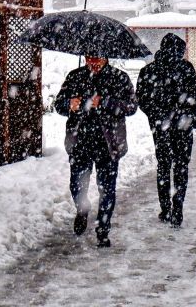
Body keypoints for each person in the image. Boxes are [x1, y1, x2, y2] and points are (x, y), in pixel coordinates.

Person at [55, 54, 138, 247]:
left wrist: (105, 102)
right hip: (80, 141)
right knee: (77, 185)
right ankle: (82, 209)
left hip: (108, 144)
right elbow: (59, 105)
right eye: (88, 58)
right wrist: (69, 104)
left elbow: (132, 106)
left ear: (105, 58)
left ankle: (103, 229)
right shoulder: (75, 76)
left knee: (107, 188)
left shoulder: (119, 78)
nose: (92, 63)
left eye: (97, 59)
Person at [136, 33, 196, 227]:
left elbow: (141, 97)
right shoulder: (186, 68)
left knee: (163, 166)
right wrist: (195, 119)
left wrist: (155, 115)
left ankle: (165, 208)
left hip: (161, 127)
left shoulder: (149, 71)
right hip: (183, 125)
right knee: (181, 166)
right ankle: (178, 207)